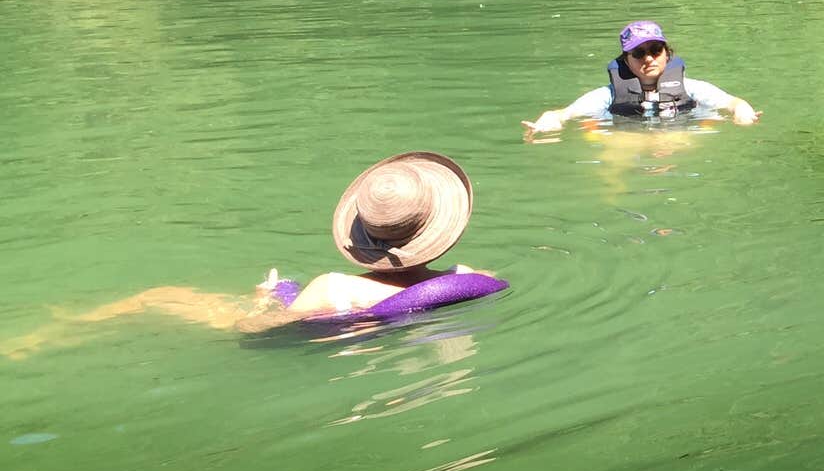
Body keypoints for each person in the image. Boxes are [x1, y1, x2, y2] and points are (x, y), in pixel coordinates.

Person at [1, 151, 503, 357]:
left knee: (156, 295)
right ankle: (62, 325)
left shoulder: (333, 285)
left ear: (363, 236)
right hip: (365, 342)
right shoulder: (465, 279)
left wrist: (270, 296)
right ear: (441, 231)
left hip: (272, 326)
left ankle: (49, 334)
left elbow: (258, 332)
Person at [525, 21, 759, 136]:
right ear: (626, 60)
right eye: (638, 53)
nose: (648, 58)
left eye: (655, 50)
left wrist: (742, 111)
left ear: (667, 54)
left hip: (679, 143)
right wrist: (549, 120)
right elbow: (564, 114)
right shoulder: (608, 96)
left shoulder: (692, 88)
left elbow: (733, 102)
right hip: (625, 145)